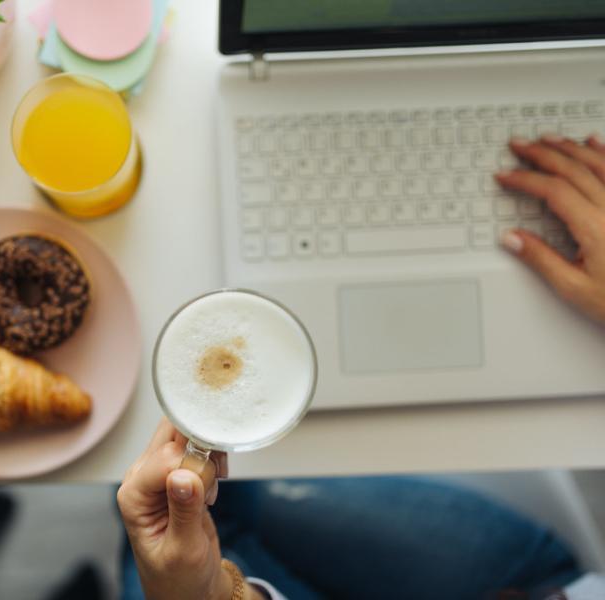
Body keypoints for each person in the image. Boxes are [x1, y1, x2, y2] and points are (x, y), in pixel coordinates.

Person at [117, 134, 605, 599]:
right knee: (248, 498)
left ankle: (147, 543)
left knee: (156, 556)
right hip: (539, 585)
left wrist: (205, 595)